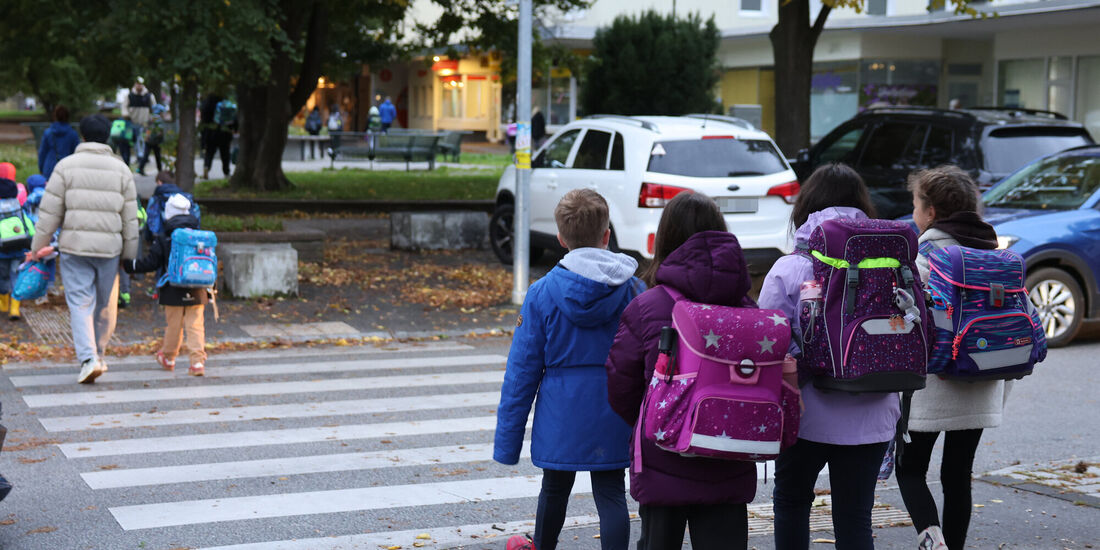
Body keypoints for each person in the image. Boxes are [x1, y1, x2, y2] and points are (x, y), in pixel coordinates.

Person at [605, 192, 756, 550]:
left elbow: (620, 386)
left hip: (663, 460)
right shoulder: (746, 306)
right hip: (728, 454)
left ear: (667, 240)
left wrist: (659, 422)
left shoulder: (647, 306)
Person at [756, 163, 895, 550]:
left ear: (806, 207)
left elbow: (770, 340)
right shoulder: (890, 263)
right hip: (874, 411)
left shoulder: (792, 267)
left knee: (792, 503)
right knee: (854, 516)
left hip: (806, 416)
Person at [494, 189, 640, 550]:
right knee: (611, 492)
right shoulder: (633, 289)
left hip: (561, 411)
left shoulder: (541, 293)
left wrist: (507, 443)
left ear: (560, 238)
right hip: (615, 406)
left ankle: (543, 545)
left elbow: (521, 372)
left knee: (555, 487)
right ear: (607, 235)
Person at [896, 165, 1007, 550]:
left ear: (930, 212)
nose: (913, 212)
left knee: (909, 470)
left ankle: (932, 539)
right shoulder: (992, 251)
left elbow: (907, 322)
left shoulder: (924, 256)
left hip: (931, 385)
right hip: (982, 379)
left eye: (915, 204)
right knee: (958, 474)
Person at [27, 114, 139, 384]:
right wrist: (129, 256)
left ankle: (88, 358)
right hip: (110, 249)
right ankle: (98, 354)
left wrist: (36, 247)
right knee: (105, 305)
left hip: (74, 248)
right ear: (108, 137)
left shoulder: (66, 167)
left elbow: (49, 213)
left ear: (83, 136)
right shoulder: (121, 169)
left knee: (79, 303)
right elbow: (130, 217)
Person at [123, 193, 208, 377]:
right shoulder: (198, 235)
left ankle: (169, 358)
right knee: (195, 325)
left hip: (173, 288)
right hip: (199, 286)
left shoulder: (164, 238)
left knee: (174, 325)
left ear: (168, 214)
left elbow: (151, 263)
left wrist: (130, 265)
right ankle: (197, 362)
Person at [0, 164, 33, 321]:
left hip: (1, 251)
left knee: (2, 276)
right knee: (16, 276)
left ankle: (3, 305)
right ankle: (15, 309)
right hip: (19, 248)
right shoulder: (19, 208)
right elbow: (30, 227)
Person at [37, 105, 80, 180]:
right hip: (67, 168)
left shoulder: (48, 133)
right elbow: (76, 153)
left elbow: (42, 153)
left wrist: (41, 168)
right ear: (67, 117)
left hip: (50, 168)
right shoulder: (73, 134)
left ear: (55, 116)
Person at [122, 77, 157, 166]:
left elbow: (154, 108)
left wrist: (152, 118)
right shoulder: (129, 95)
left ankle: (141, 157)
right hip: (133, 122)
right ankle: (139, 156)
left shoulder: (149, 96)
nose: (139, 86)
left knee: (142, 140)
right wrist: (126, 115)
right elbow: (124, 107)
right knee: (134, 140)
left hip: (145, 123)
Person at [203, 97, 235, 180]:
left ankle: (207, 166)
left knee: (209, 152)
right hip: (225, 133)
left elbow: (204, 118)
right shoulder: (228, 104)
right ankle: (226, 172)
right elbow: (234, 118)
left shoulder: (209, 102)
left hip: (211, 132)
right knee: (225, 154)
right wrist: (234, 128)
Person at [137, 104, 168, 176]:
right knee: (158, 157)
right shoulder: (158, 119)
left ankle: (140, 168)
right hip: (156, 141)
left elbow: (145, 128)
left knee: (146, 155)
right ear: (160, 112)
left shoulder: (150, 117)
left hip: (148, 140)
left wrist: (146, 136)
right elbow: (160, 131)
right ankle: (160, 171)